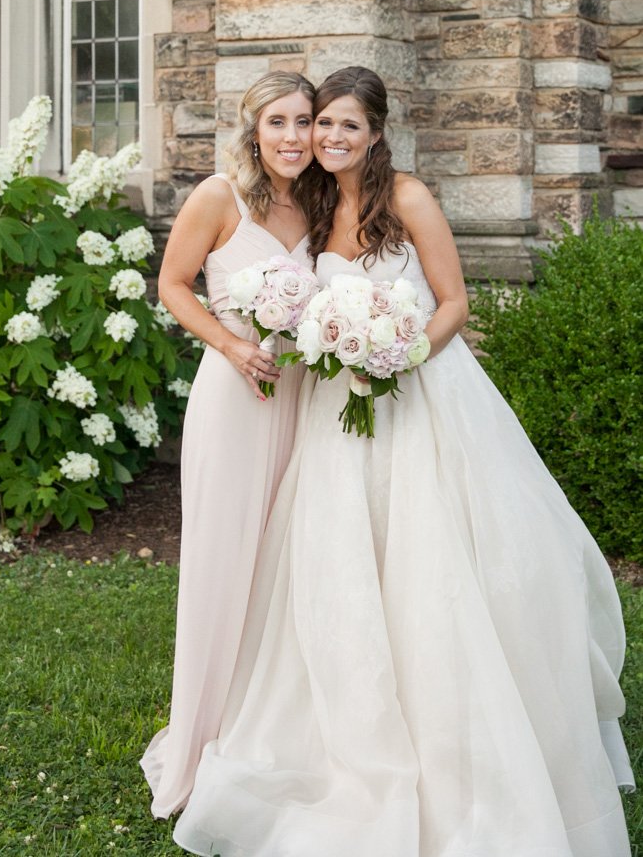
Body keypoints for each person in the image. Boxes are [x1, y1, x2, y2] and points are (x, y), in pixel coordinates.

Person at [172, 67, 634, 857]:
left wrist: (401, 354)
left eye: (344, 125)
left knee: (429, 557)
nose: (326, 137)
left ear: (376, 133)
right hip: (334, 408)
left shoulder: (409, 197)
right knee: (337, 559)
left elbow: (454, 302)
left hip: (418, 395)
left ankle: (453, 722)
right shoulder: (315, 203)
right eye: (319, 123)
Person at [140, 70, 316, 819]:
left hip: (306, 397)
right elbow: (172, 284)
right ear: (254, 128)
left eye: (304, 121)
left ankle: (272, 724)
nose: (293, 137)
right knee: (222, 560)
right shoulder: (219, 196)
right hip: (236, 394)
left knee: (289, 561)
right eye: (278, 121)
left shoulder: (324, 202)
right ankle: (200, 737)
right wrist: (232, 345)